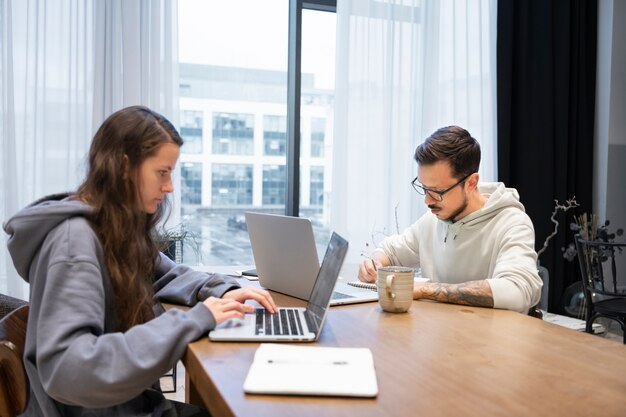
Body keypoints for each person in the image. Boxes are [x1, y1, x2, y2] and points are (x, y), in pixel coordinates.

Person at [3, 105, 277, 416]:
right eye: (162, 173)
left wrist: (221, 291)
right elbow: (70, 368)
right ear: (124, 166)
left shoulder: (112, 228)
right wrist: (194, 319)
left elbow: (165, 274)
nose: (169, 187)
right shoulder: (74, 245)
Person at [358, 126, 542, 313]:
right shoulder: (433, 220)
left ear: (471, 183)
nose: (427, 200)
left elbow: (518, 291)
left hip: (487, 338)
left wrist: (426, 289)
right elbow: (390, 251)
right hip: (441, 334)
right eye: (424, 188)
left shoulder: (512, 223)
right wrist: (375, 264)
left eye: (437, 192)